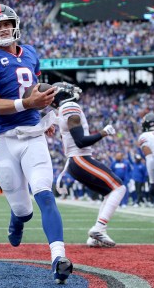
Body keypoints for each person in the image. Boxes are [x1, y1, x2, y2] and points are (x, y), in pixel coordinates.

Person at [0, 4, 72, 284]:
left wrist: (46, 109)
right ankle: (17, 218)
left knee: (44, 193)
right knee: (23, 210)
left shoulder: (31, 53)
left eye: (6, 24)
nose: (2, 29)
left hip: (32, 134)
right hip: (3, 139)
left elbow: (31, 90)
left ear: (15, 25)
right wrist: (29, 102)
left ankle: (58, 258)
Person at [51, 82, 126, 248]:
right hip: (80, 158)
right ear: (63, 94)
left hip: (76, 161)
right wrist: (104, 132)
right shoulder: (70, 106)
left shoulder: (63, 109)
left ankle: (96, 236)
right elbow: (80, 141)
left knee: (109, 193)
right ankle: (99, 228)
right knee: (119, 188)